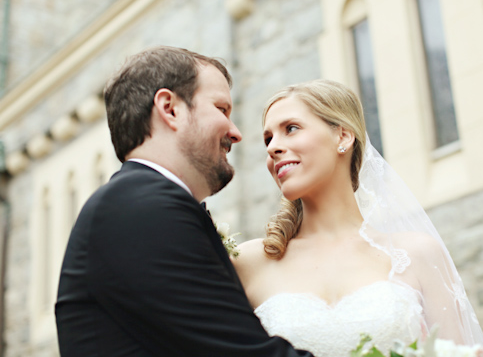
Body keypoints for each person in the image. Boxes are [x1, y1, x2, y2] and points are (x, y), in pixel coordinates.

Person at [55, 46, 314, 357]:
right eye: (222, 109)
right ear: (170, 108)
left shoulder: (142, 203)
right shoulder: (142, 210)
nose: (235, 133)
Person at [233, 79, 483, 357]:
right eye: (268, 138)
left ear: (342, 137)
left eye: (291, 129)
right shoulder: (248, 262)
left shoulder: (417, 253)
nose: (272, 147)